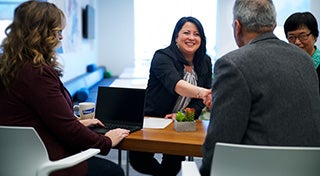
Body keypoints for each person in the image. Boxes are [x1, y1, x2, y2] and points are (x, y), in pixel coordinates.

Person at [0, 1, 130, 176]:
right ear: (40, 34)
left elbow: (28, 117)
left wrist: (73, 121)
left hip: (13, 163)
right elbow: (70, 133)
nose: (61, 37)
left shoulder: (9, 67)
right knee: (113, 172)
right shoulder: (37, 73)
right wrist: (106, 140)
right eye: (58, 32)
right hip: (46, 162)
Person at [200, 0, 320, 176]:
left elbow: (219, 145)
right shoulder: (305, 61)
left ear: (237, 26)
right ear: (272, 24)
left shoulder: (232, 64)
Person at [129, 16, 212, 176]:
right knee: (139, 161)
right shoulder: (162, 57)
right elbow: (176, 85)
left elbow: (198, 102)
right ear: (176, 37)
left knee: (173, 166)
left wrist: (184, 115)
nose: (191, 37)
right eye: (186, 32)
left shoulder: (205, 61)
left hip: (180, 121)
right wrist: (204, 92)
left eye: (197, 34)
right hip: (153, 119)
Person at [284, 12, 320, 91]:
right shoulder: (285, 66)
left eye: (303, 36)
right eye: (291, 37)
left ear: (315, 36)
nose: (297, 42)